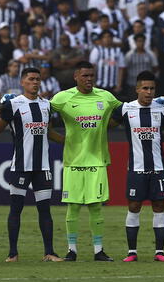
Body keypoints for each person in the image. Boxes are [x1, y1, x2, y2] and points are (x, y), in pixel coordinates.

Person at [0, 67, 65, 262]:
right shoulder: (13, 105)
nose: (35, 82)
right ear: (22, 82)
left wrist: (71, 140)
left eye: (38, 79)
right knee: (16, 208)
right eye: (31, 79)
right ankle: (13, 253)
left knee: (45, 209)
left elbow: (50, 132)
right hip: (20, 165)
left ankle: (49, 252)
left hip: (42, 167)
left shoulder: (47, 105)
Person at [50, 61, 122, 262]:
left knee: (96, 207)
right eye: (85, 76)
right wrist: (58, 138)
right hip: (73, 162)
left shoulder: (106, 97)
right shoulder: (63, 98)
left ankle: (98, 251)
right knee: (73, 206)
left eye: (91, 75)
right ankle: (71, 250)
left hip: (97, 161)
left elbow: (125, 113)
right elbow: (41, 112)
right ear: (76, 76)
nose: (89, 79)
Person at [110, 71, 164, 262]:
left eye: (152, 89)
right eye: (145, 88)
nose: (149, 92)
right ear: (137, 89)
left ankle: (160, 252)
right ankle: (132, 252)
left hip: (158, 168)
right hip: (136, 168)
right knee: (134, 206)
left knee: (159, 206)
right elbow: (106, 125)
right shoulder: (125, 109)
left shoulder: (162, 109)